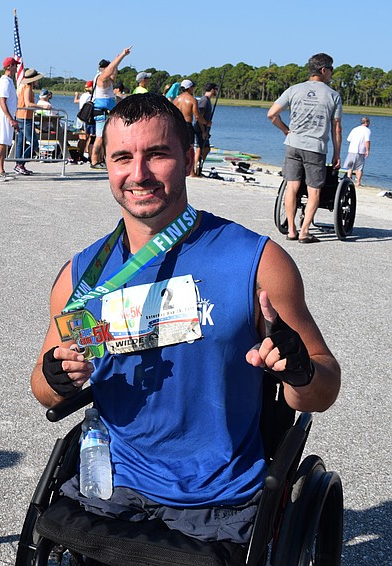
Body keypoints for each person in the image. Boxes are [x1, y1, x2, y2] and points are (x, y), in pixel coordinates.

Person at [31, 93, 340, 545]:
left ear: (191, 158)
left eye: (157, 154)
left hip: (218, 500)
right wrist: (58, 375)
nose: (138, 174)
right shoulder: (84, 277)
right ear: (106, 163)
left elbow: (324, 388)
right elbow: (42, 385)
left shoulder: (257, 263)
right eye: (122, 157)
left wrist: (299, 369)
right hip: (110, 488)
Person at [268, 53, 342, 244]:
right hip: (315, 147)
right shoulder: (333, 95)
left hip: (293, 144)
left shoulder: (294, 90)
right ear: (324, 70)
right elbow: (336, 128)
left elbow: (272, 114)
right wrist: (337, 154)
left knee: (291, 187)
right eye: (331, 70)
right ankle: (305, 231)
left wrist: (286, 130)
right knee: (314, 190)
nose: (332, 74)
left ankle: (291, 229)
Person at [90, 48, 132, 169]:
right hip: (102, 111)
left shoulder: (107, 80)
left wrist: (118, 61)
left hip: (107, 111)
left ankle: (101, 159)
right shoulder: (101, 78)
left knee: (105, 137)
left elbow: (113, 74)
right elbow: (111, 70)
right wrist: (122, 56)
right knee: (99, 137)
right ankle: (94, 161)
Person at [0, 56, 19, 182]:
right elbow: (2, 102)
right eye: (14, 65)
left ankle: (1, 169)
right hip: (4, 116)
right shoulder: (5, 82)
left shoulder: (9, 81)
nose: (16, 67)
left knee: (5, 143)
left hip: (8, 115)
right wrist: (10, 118)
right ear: (9, 67)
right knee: (1, 143)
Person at [14, 68, 44, 175]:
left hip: (20, 116)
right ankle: (20, 163)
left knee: (20, 143)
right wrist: (42, 107)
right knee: (34, 143)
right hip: (26, 117)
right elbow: (28, 103)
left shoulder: (22, 87)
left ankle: (18, 164)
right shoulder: (27, 88)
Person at [172, 79, 202, 173]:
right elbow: (197, 116)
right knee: (190, 148)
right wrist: (206, 123)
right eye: (193, 87)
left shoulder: (176, 99)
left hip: (177, 124)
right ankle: (192, 172)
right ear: (189, 88)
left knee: (178, 146)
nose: (193, 89)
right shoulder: (192, 100)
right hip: (187, 125)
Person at [193, 82, 218, 175]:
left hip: (204, 129)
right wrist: (203, 131)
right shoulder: (204, 101)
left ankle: (199, 166)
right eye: (215, 89)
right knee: (200, 148)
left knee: (206, 148)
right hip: (200, 129)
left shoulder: (207, 100)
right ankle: (195, 169)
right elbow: (199, 116)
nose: (216, 91)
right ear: (212, 90)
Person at [343, 117, 371, 187]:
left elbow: (349, 139)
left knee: (350, 166)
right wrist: (367, 150)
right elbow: (367, 141)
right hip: (360, 151)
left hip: (351, 149)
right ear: (367, 122)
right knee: (359, 167)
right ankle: (358, 182)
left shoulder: (355, 129)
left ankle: (349, 179)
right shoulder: (367, 130)